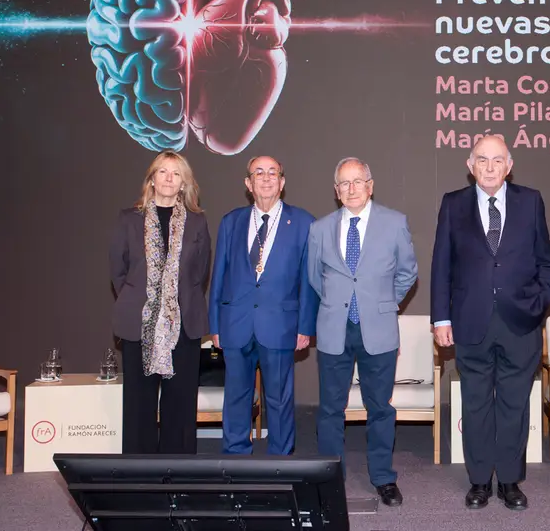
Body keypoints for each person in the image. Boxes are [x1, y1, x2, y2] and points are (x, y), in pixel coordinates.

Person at [431, 135, 550, 511]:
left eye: (496, 160)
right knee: (475, 404)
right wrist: (441, 317)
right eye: (482, 160)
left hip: (521, 323)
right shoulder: (453, 204)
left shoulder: (531, 200)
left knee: (515, 405)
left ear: (509, 165)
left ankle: (510, 481)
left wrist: (538, 304)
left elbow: (546, 262)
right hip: (470, 322)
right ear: (470, 166)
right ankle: (479, 481)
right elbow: (441, 266)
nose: (489, 167)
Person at [308, 157, 418, 507]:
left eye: (358, 181)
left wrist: (384, 303)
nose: (351, 189)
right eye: (344, 183)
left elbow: (407, 273)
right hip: (333, 330)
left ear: (370, 186)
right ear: (336, 191)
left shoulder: (394, 222)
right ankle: (329, 480)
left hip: (379, 330)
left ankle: (384, 478)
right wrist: (336, 305)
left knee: (380, 408)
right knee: (329, 410)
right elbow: (315, 278)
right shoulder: (320, 229)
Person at [209, 156, 317, 456]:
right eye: (259, 172)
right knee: (236, 397)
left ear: (282, 182)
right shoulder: (231, 222)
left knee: (280, 400)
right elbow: (218, 276)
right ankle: (235, 459)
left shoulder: (305, 222)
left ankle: (280, 462)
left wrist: (305, 327)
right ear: (248, 183)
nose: (266, 178)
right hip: (235, 323)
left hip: (281, 325)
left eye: (273, 173)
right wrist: (215, 325)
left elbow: (309, 282)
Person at [110, 151, 211, 454]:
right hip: (139, 325)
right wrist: (145, 301)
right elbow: (118, 272)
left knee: (179, 403)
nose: (168, 178)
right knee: (139, 403)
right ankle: (139, 475)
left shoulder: (197, 222)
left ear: (183, 183)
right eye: (162, 172)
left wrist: (172, 305)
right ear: (152, 179)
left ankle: (178, 473)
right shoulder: (129, 219)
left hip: (184, 324)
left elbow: (201, 271)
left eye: (176, 173)